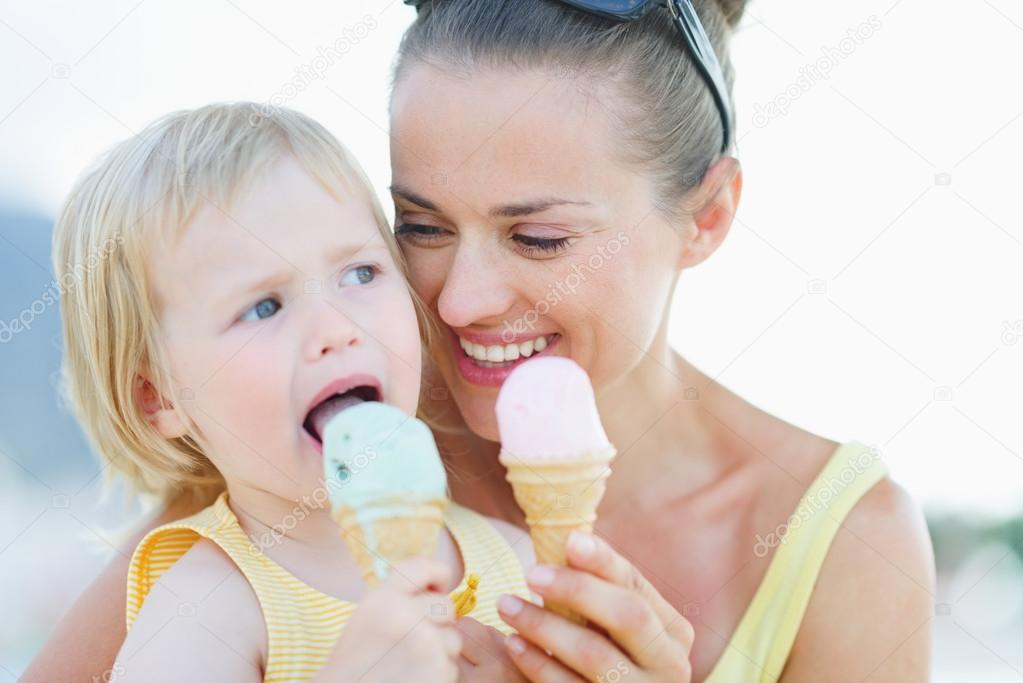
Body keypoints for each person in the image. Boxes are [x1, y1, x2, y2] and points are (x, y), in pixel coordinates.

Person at [27, 1, 935, 681]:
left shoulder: (847, 544)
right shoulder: (302, 454)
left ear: (706, 216)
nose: (457, 302)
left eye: (539, 238)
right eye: (419, 227)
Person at [39, 102, 532, 683]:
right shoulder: (206, 608)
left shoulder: (514, 557)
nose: (335, 329)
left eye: (360, 274)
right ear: (160, 397)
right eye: (264, 307)